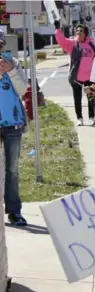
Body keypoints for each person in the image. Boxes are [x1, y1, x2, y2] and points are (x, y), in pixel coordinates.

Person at [0, 30, 28, 226]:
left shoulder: (14, 64)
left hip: (13, 124)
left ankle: (14, 211)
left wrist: (10, 71)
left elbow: (23, 89)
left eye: (0, 45)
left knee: (12, 169)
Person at [54, 21, 95, 126]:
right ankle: (80, 118)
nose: (79, 33)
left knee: (91, 97)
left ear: (85, 33)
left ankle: (92, 117)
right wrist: (58, 29)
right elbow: (62, 41)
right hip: (76, 77)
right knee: (77, 98)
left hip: (90, 76)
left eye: (81, 31)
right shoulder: (72, 44)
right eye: (77, 31)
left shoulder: (91, 44)